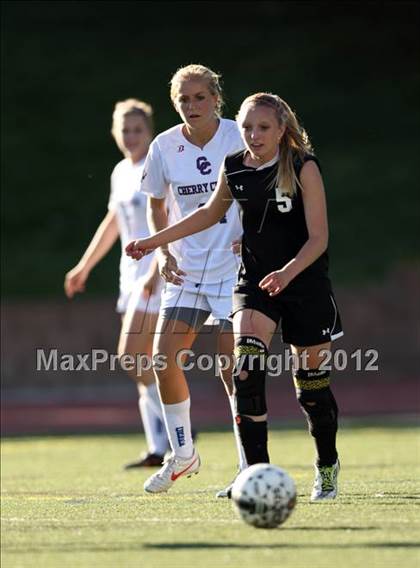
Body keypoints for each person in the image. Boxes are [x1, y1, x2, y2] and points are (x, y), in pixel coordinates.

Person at [126, 92, 343, 502]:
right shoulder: (235, 167)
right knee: (245, 374)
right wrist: (153, 242)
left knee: (311, 390)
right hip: (255, 286)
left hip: (303, 284)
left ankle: (327, 465)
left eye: (263, 128)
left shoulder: (302, 166)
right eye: (246, 128)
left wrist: (288, 272)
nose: (254, 135)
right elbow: (207, 214)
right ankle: (256, 477)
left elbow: (319, 239)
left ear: (281, 129)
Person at [133, 64, 248, 494]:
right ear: (174, 103)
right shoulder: (163, 146)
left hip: (234, 272)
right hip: (185, 270)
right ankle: (183, 455)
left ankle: (246, 466)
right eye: (184, 99)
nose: (192, 106)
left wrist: (250, 236)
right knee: (164, 359)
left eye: (200, 97)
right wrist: (162, 251)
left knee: (232, 370)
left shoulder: (239, 136)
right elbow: (156, 205)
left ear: (216, 99)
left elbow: (267, 189)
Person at [64, 98, 169, 468]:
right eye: (125, 129)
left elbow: (170, 224)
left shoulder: (158, 168)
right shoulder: (121, 172)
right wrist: (84, 266)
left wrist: (157, 270)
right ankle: (160, 447)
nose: (131, 136)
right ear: (115, 133)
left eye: (138, 129)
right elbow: (113, 223)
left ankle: (178, 427)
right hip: (129, 277)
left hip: (154, 276)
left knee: (131, 355)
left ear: (149, 132)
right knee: (145, 365)